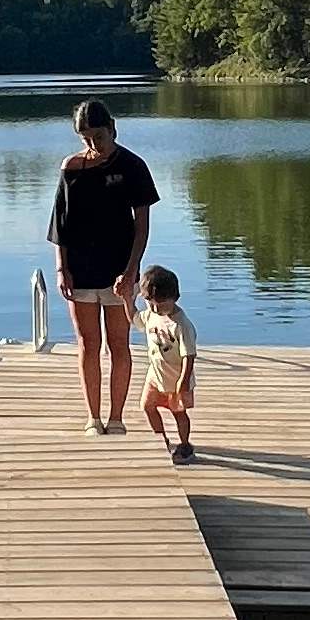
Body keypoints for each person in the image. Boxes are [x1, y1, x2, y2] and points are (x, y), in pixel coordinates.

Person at [47, 99, 159, 432]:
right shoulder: (71, 168)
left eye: (98, 136)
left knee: (118, 343)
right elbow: (59, 226)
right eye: (86, 138)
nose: (93, 144)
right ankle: (93, 418)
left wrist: (131, 272)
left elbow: (142, 227)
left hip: (119, 271)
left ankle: (117, 418)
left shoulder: (133, 166)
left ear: (112, 129)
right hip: (80, 269)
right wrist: (60, 268)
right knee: (88, 344)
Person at [138, 264, 198, 463]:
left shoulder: (181, 325)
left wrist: (184, 380)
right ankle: (161, 438)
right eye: (149, 302)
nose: (155, 308)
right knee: (147, 406)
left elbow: (189, 355)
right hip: (155, 376)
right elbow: (135, 319)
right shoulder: (152, 315)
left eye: (161, 303)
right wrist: (124, 300)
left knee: (179, 413)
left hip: (177, 379)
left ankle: (185, 445)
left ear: (174, 297)